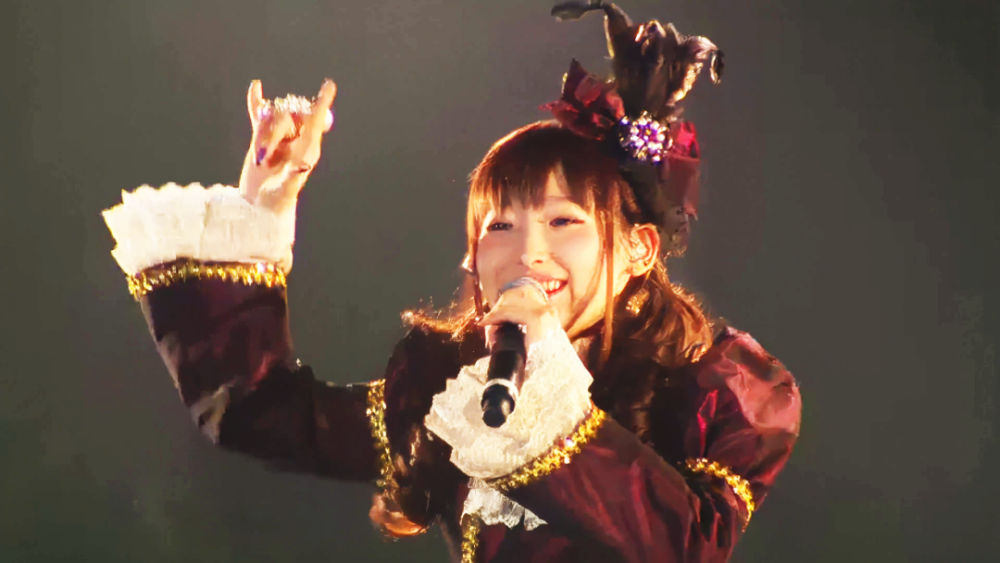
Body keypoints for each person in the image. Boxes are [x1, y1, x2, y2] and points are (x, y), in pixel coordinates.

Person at [102, 3, 801, 561]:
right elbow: (256, 412)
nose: (527, 252)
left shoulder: (721, 391)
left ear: (640, 248)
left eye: (563, 222)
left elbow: (685, 549)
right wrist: (265, 203)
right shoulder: (454, 383)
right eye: (500, 225)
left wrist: (549, 401)